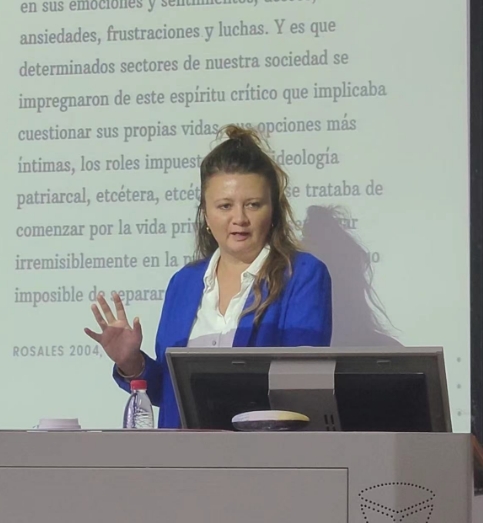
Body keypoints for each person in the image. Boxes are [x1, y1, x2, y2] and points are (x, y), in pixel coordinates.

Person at [85, 125, 332, 428]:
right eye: (225, 206)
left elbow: (300, 386)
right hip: (181, 452)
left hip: (262, 451)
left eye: (253, 205)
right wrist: (131, 362)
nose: (239, 218)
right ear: (205, 214)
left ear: (273, 212)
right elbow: (170, 395)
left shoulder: (302, 275)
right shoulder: (184, 283)